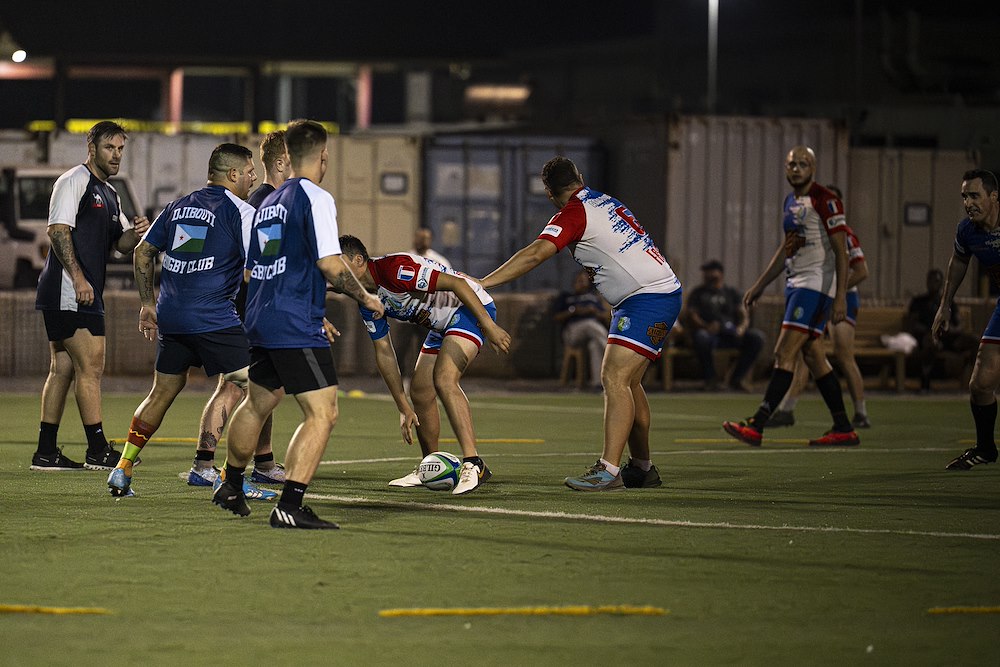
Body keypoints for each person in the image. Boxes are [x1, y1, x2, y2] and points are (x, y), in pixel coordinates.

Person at [211, 119, 385, 529]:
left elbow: (252, 271)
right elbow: (330, 264)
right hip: (294, 322)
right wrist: (365, 296)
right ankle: (290, 505)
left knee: (258, 403)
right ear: (322, 156)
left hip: (261, 316)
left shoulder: (268, 203)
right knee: (323, 413)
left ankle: (230, 483)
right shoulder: (315, 198)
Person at [481, 156, 682, 491]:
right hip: (656, 294)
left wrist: (483, 283)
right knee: (629, 383)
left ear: (549, 192)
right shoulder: (603, 200)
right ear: (580, 178)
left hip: (647, 298)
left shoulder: (574, 213)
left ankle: (609, 471)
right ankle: (642, 468)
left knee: (613, 377)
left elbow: (535, 254)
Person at [105, 144, 275, 500]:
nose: (253, 179)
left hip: (171, 316)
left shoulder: (177, 206)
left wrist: (147, 304)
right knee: (260, 388)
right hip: (214, 318)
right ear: (233, 175)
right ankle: (230, 477)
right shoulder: (242, 212)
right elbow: (257, 270)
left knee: (161, 392)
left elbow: (142, 252)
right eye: (249, 172)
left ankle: (123, 468)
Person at [335, 235, 511, 495]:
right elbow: (384, 352)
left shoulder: (394, 269)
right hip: (440, 325)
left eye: (338, 264)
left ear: (359, 260)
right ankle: (431, 465)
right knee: (419, 391)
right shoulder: (365, 297)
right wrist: (402, 405)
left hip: (469, 310)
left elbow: (457, 283)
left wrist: (489, 325)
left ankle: (474, 463)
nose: (334, 273)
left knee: (444, 378)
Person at [31, 121, 151, 471]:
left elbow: (120, 246)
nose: (116, 155)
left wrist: (136, 234)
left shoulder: (110, 193)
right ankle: (97, 450)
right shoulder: (73, 181)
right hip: (71, 290)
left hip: (76, 291)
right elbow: (57, 231)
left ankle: (46, 452)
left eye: (120, 149)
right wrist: (79, 279)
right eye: (110, 147)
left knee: (63, 368)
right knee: (91, 366)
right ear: (92, 148)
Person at [723, 146, 860, 448]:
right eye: (791, 164)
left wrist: (839, 296)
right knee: (813, 356)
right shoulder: (790, 201)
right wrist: (760, 284)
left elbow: (841, 252)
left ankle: (758, 424)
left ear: (813, 167)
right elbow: (788, 248)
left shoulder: (826, 200)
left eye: (802, 164)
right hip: (797, 283)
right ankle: (843, 426)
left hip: (815, 286)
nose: (796, 169)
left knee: (783, 352)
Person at [183, 131, 291, 488]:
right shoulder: (261, 203)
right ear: (283, 162)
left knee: (262, 387)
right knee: (236, 388)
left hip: (248, 310)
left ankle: (263, 461)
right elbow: (261, 264)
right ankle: (207, 465)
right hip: (249, 312)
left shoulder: (264, 199)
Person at [769, 188, 871, 428]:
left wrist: (837, 293)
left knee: (843, 354)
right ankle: (787, 409)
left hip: (841, 298)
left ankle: (860, 412)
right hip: (817, 296)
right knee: (806, 352)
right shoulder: (810, 232)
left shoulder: (845, 235)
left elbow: (862, 271)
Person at [936, 169, 1000, 470]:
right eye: (964, 196)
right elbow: (959, 261)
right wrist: (944, 306)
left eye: (975, 195)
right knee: (980, 385)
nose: (968, 203)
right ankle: (985, 449)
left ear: (994, 197)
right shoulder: (967, 231)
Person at [680, 259, 765, 391]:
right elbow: (692, 314)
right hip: (710, 335)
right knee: (701, 337)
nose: (707, 274)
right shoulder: (698, 293)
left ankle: (736, 379)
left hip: (730, 333)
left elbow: (743, 314)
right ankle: (711, 379)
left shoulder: (731, 292)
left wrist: (742, 328)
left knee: (757, 338)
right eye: (705, 272)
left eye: (710, 271)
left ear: (720, 273)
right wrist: (705, 326)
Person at [392, 227, 453, 379]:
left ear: (430, 240)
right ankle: (400, 383)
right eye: (419, 237)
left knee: (425, 353)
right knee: (400, 351)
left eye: (425, 238)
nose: (422, 241)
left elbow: (450, 286)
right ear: (414, 239)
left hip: (428, 315)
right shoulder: (404, 259)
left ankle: (422, 382)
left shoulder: (439, 261)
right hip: (406, 314)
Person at [907, 268, 978, 392]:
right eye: (931, 280)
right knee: (931, 342)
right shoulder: (919, 302)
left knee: (975, 341)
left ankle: (976, 380)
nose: (933, 283)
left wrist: (952, 329)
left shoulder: (948, 302)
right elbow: (913, 324)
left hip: (949, 337)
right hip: (929, 336)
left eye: (936, 281)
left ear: (941, 283)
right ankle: (925, 382)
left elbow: (959, 324)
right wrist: (932, 330)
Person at [553, 269, 611, 391]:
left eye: (584, 281)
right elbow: (556, 317)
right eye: (579, 281)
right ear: (574, 283)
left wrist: (594, 311)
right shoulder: (567, 297)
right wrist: (574, 311)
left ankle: (598, 384)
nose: (581, 284)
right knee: (590, 325)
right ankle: (612, 355)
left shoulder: (593, 298)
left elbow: (604, 316)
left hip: (593, 333)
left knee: (594, 345)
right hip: (572, 332)